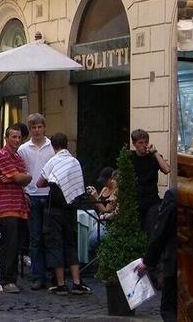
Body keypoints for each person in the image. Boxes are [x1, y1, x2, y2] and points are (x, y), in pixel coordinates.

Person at [37, 133, 91, 295]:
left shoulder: (52, 161)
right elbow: (77, 184)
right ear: (67, 144)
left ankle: (60, 284)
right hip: (70, 209)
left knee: (55, 244)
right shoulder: (75, 162)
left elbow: (40, 183)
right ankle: (76, 282)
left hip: (53, 210)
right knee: (70, 244)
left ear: (53, 146)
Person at [0, 123, 32, 293]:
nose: (16, 140)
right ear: (6, 138)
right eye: (13, 137)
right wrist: (17, 177)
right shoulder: (2, 155)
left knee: (16, 245)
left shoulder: (18, 157)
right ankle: (6, 279)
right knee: (9, 244)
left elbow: (25, 177)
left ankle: (12, 278)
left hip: (19, 206)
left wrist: (18, 178)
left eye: (19, 137)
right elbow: (19, 177)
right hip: (6, 205)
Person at [18, 114, 53, 289]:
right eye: (33, 128)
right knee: (36, 237)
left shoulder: (52, 146)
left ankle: (53, 273)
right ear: (30, 130)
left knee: (51, 236)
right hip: (32, 195)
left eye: (39, 127)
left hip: (49, 195)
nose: (37, 130)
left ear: (44, 127)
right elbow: (21, 170)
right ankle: (38, 275)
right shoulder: (23, 149)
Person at [134, 189, 177, 322]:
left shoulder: (173, 196)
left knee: (170, 309)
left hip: (175, 262)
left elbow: (160, 232)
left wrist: (147, 261)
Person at [130, 129, 171, 233]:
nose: (144, 145)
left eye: (146, 142)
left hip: (151, 201)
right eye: (140, 143)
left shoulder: (153, 157)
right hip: (135, 201)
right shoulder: (130, 157)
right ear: (134, 144)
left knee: (151, 231)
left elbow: (166, 169)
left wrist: (155, 153)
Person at [86, 167, 118, 251]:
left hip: (108, 222)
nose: (104, 183)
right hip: (99, 219)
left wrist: (96, 198)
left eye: (105, 181)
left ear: (111, 179)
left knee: (92, 241)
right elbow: (97, 205)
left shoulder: (116, 192)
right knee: (86, 236)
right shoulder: (104, 189)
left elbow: (106, 210)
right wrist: (93, 197)